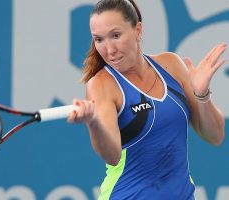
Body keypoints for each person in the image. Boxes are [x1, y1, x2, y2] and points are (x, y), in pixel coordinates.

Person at [67, 0, 227, 199]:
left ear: (138, 30)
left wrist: (201, 94)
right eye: (99, 39)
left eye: (116, 36)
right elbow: (113, 156)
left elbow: (215, 135)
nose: (109, 50)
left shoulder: (171, 65)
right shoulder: (101, 85)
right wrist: (93, 123)